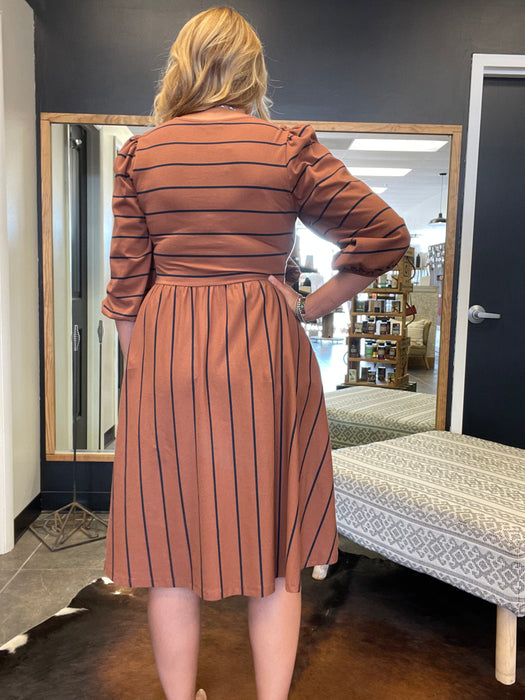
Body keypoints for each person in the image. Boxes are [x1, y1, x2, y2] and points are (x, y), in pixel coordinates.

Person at [102, 7, 410, 700]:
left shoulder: (140, 154)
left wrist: (144, 380)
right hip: (264, 348)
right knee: (275, 543)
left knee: (169, 548)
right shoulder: (287, 148)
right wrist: (311, 305)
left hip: (167, 348)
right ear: (252, 69)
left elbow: (125, 292)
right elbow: (385, 235)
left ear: (182, 66)